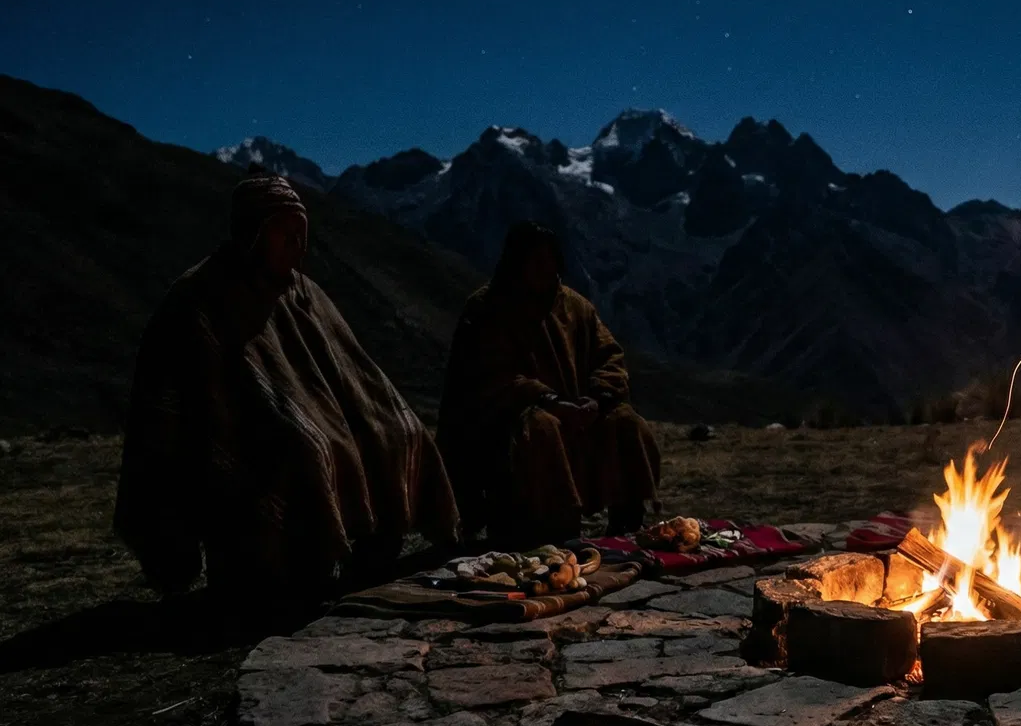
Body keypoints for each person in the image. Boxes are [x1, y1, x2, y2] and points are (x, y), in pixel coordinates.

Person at [115, 173, 459, 605]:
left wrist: (374, 412)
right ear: (252, 233)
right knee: (306, 447)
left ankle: (374, 548)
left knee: (396, 430)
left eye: (302, 235)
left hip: (304, 415)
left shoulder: (302, 289)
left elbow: (351, 368)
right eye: (285, 235)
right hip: (236, 434)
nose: (297, 246)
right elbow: (186, 397)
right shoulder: (199, 296)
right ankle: (278, 572)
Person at [438, 221, 661, 546]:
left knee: (626, 422)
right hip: (505, 422)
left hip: (578, 412)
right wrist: (550, 401)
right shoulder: (488, 308)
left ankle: (626, 524)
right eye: (535, 261)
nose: (545, 269)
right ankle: (553, 530)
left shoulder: (576, 307)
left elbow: (609, 356)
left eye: (550, 260)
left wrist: (597, 399)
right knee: (540, 428)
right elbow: (490, 377)